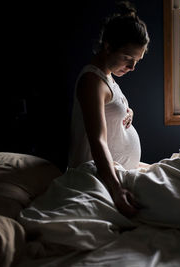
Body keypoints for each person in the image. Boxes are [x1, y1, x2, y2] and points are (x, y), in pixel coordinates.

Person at [68, 1, 150, 217]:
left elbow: (109, 108)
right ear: (107, 46)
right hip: (102, 176)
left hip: (121, 170)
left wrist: (127, 111)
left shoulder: (107, 75)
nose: (132, 67)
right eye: (127, 58)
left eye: (137, 61)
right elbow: (98, 140)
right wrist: (116, 190)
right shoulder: (91, 81)